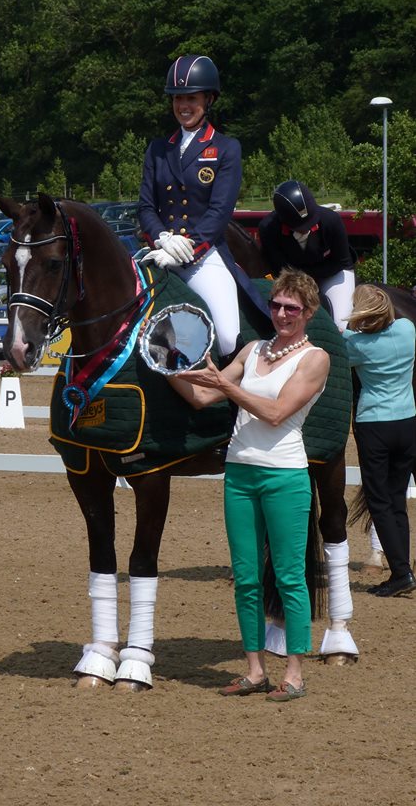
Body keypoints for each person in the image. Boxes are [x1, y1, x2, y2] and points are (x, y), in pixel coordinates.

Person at [170, 269, 330, 701]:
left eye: (291, 308)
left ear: (308, 312)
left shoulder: (314, 358)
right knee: (245, 578)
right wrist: (166, 362)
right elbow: (203, 397)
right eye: (276, 305)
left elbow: (276, 413)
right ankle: (254, 669)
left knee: (290, 576)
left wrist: (225, 382)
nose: (281, 313)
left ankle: (294, 672)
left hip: (285, 475)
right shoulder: (253, 348)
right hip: (239, 473)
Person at [138, 54, 270, 360]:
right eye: (177, 98)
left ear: (208, 99)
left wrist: (186, 248)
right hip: (159, 251)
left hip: (203, 256)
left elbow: (219, 213)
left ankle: (227, 400)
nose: (183, 105)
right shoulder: (158, 149)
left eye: (191, 98)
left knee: (225, 336)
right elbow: (146, 206)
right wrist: (162, 239)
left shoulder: (226, 148)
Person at [344, 284, 416, 597]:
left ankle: (401, 572)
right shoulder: (406, 330)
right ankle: (403, 569)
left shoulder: (354, 345)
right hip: (408, 421)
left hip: (375, 425)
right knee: (397, 498)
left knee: (380, 502)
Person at [258, 180, 356, 331]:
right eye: (301, 226)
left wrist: (309, 277)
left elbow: (340, 261)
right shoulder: (268, 228)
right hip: (291, 277)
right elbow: (280, 267)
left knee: (340, 324)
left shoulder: (331, 220)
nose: (307, 229)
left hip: (334, 272)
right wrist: (304, 281)